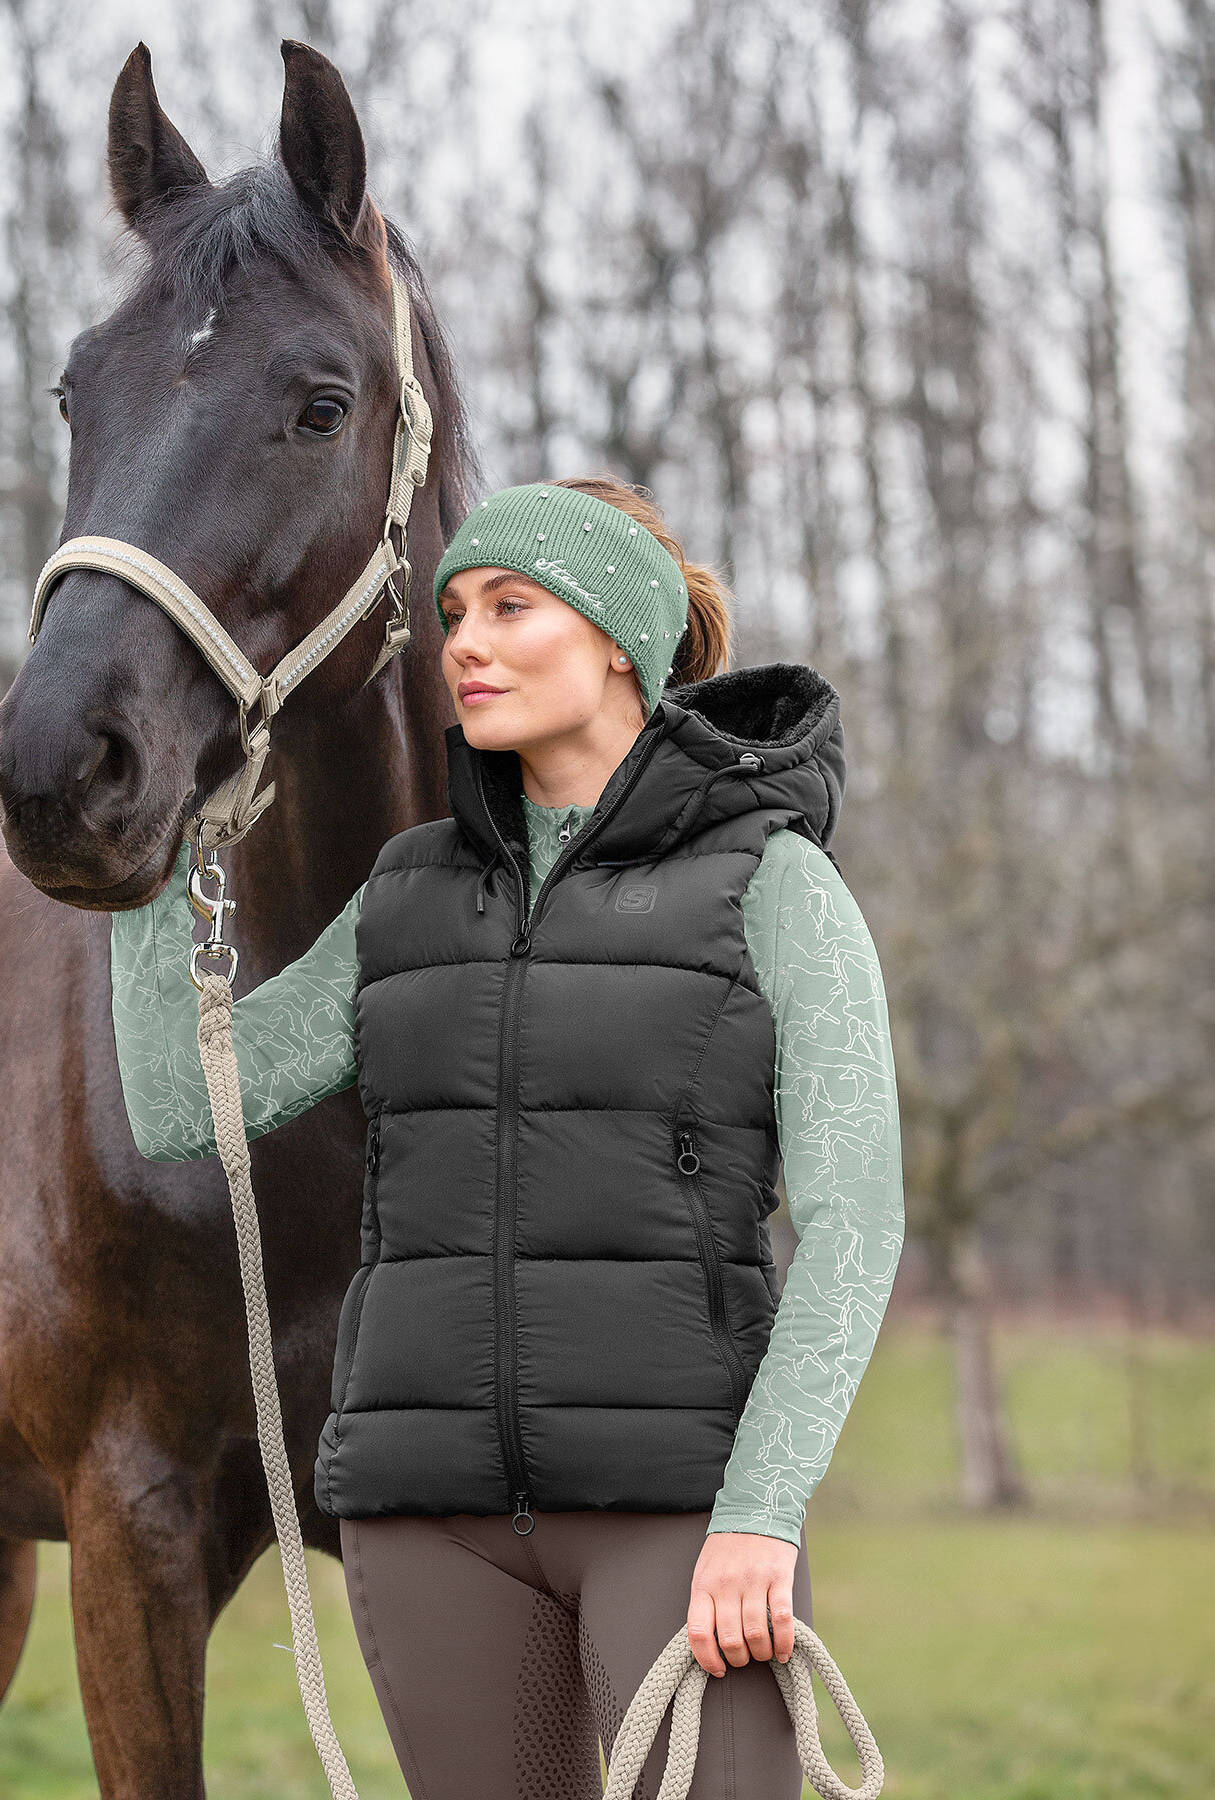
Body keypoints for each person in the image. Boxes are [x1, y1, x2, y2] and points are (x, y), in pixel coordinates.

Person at [109, 473, 904, 1800]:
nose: (463, 642)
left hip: (678, 1509)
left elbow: (855, 1222)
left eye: (509, 606)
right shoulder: (407, 892)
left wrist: (759, 1517)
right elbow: (188, 1105)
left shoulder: (771, 885)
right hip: (428, 1519)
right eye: (453, 612)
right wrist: (149, 863)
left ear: (614, 635)